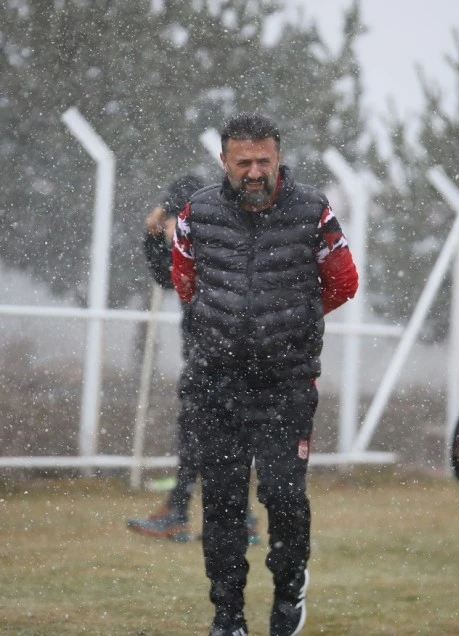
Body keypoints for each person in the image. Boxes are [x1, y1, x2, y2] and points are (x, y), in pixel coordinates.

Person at [171, 112, 358, 636]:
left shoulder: (313, 211)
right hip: (217, 384)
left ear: (278, 158)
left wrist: (292, 321)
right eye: (243, 162)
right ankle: (228, 617)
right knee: (223, 504)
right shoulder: (197, 212)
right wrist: (225, 329)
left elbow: (344, 282)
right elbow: (183, 279)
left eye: (264, 161)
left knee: (282, 496)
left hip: (286, 386)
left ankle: (288, 597)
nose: (255, 172)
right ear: (225, 161)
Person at [126, 175, 260, 545]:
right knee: (206, 439)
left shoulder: (210, 249)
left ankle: (191, 514)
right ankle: (221, 516)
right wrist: (153, 238)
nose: (167, 227)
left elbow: (170, 278)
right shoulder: (206, 246)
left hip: (218, 362)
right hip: (211, 360)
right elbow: (166, 277)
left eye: (170, 219)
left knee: (205, 439)